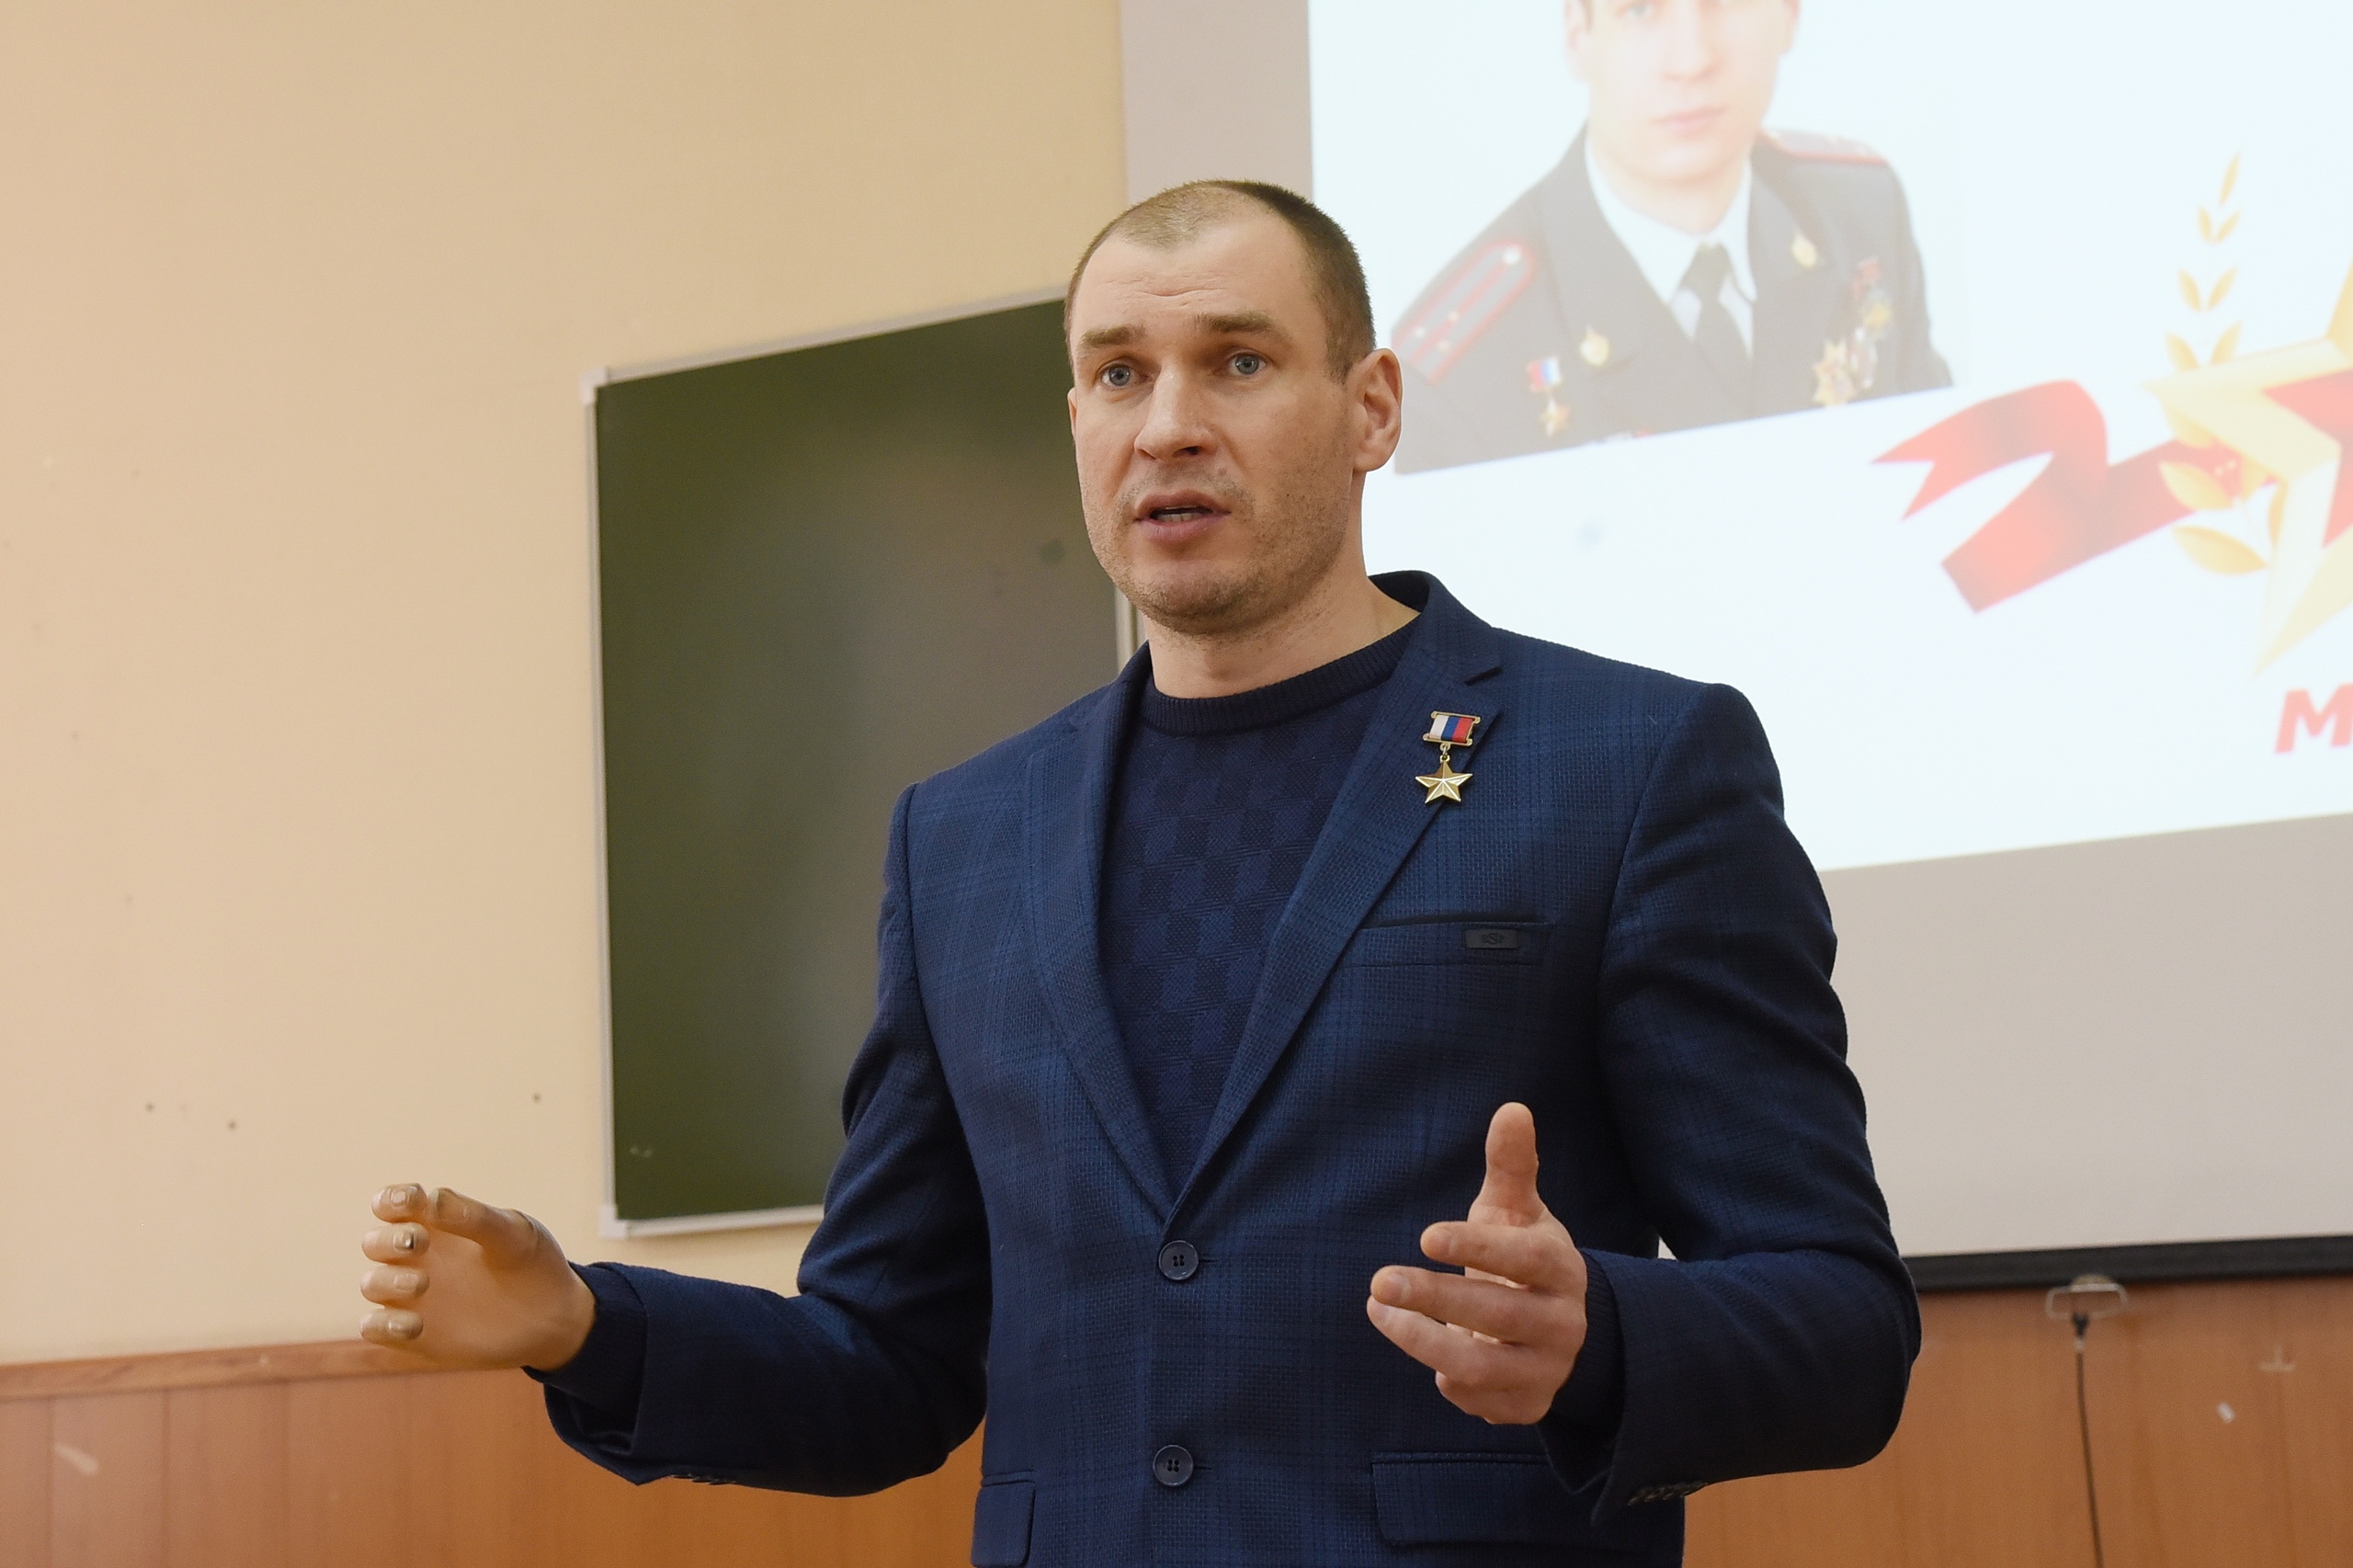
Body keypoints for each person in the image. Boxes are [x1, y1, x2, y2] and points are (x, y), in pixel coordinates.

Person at [358, 180, 1917, 1566]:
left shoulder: (1630, 764)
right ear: (1078, 426)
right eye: (1119, 373)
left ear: (1371, 407)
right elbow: (888, 1363)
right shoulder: (964, 839)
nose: (1167, 422)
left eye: (1237, 361)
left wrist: (1600, 1335)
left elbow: (1844, 1325)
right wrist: (586, 1326)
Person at [1393, 0, 1949, 474]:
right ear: (1578, 35)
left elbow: (1934, 502)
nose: (1691, 60)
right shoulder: (1464, 371)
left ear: (1790, 14)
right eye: (1640, 10)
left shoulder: (1860, 218)